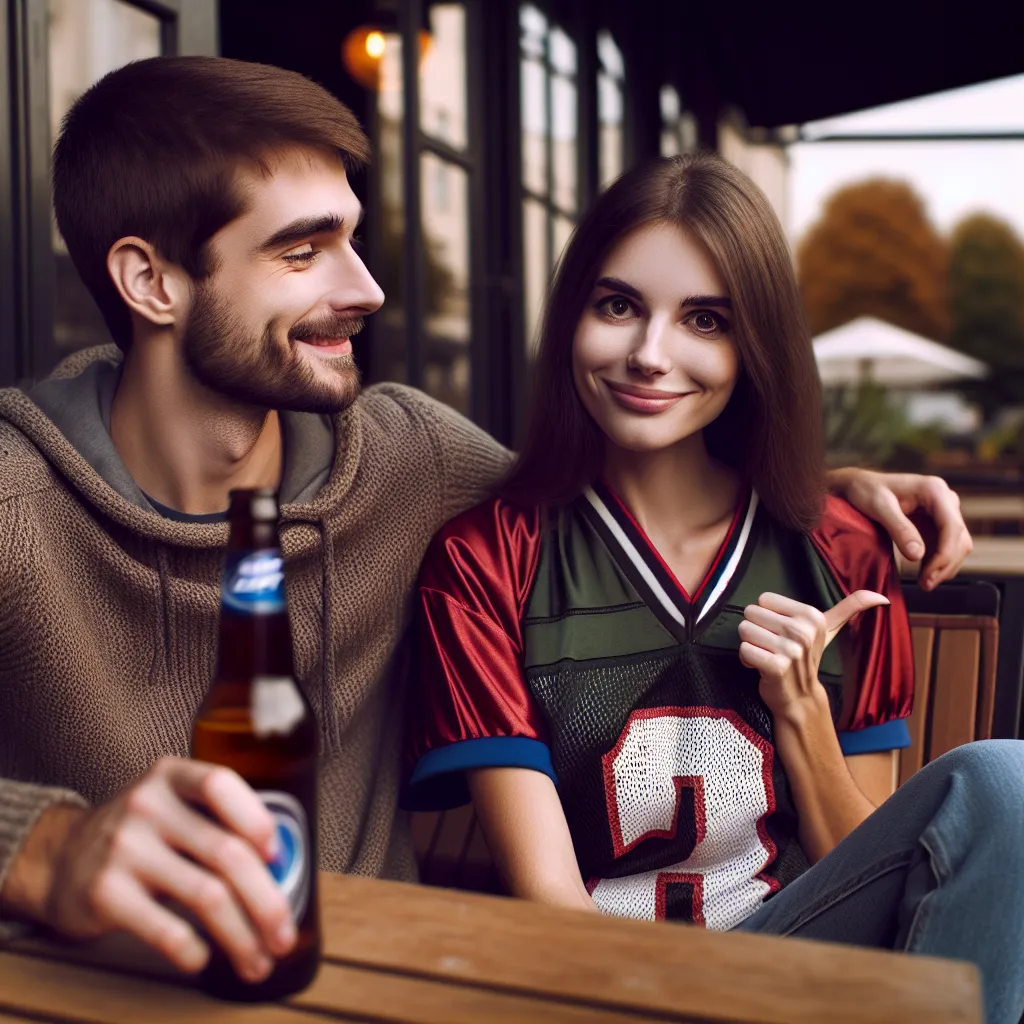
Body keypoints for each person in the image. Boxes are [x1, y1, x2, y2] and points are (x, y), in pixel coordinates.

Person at [0, 56, 971, 991]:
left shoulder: (403, 460)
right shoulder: (16, 500)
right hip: (88, 993)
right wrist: (46, 844)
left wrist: (818, 488)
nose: (367, 289)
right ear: (151, 283)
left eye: (350, 237)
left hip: (378, 983)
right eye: (303, 251)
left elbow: (624, 485)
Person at [402, 154, 1023, 1024]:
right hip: (593, 984)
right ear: (572, 314)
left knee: (1009, 783)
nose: (650, 356)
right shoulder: (485, 560)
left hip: (798, 969)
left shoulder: (843, 551)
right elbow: (548, 900)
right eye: (616, 305)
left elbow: (866, 867)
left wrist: (803, 713)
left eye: (705, 319)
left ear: (754, 346)